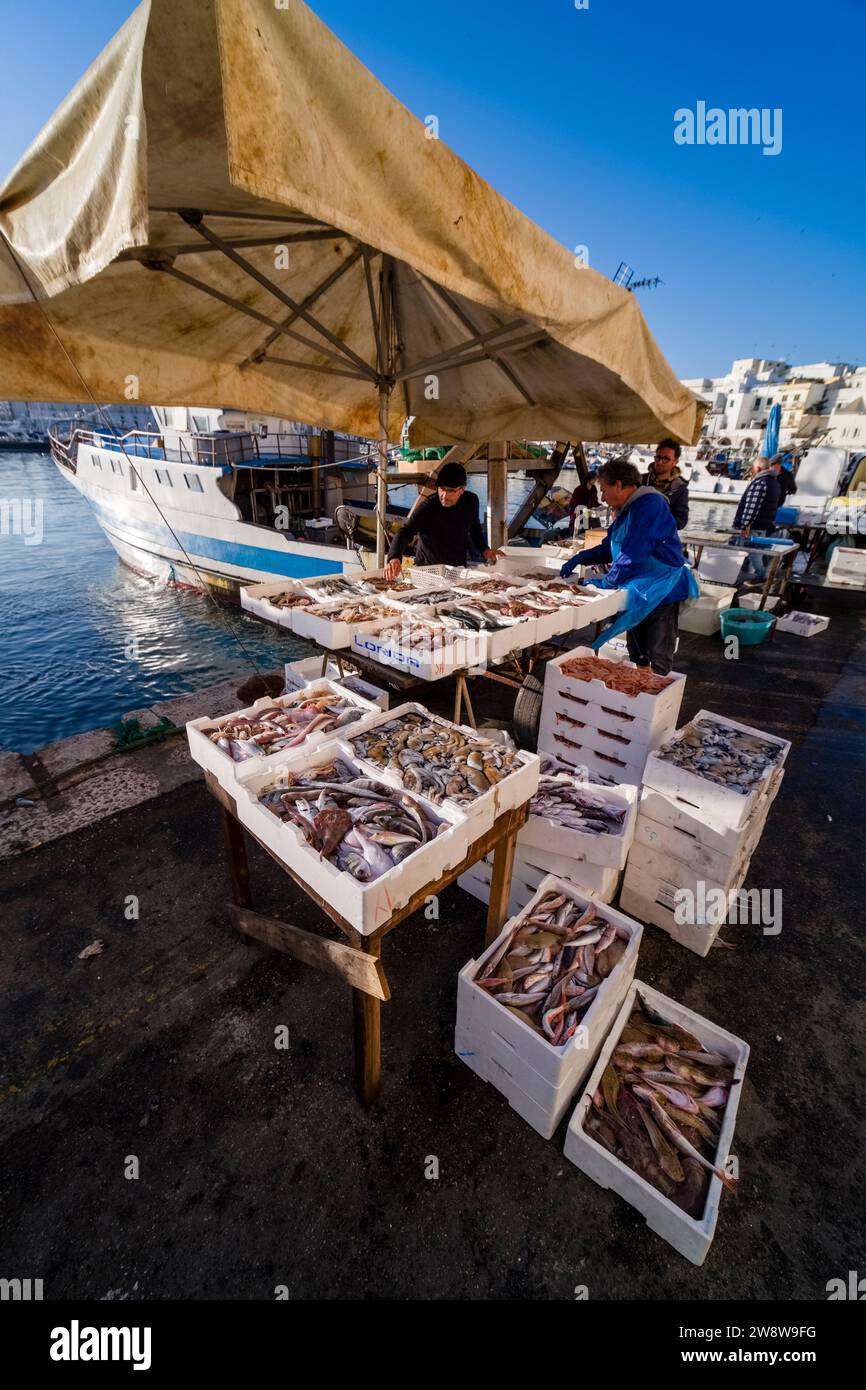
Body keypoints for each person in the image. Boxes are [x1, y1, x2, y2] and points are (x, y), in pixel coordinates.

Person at [559, 458, 698, 675]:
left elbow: (633, 553)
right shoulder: (627, 510)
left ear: (618, 485)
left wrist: (608, 581)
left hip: (662, 590)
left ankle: (655, 699)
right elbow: (610, 548)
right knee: (638, 651)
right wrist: (581, 558)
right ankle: (638, 691)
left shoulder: (650, 504)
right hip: (638, 588)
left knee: (658, 653)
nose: (602, 497)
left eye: (604, 490)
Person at [383, 462, 503, 579]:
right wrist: (394, 557)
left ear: (461, 489)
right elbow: (406, 531)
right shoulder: (428, 506)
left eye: (450, 490)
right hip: (427, 569)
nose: (444, 495)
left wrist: (485, 550)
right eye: (441, 489)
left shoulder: (471, 501)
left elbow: (475, 529)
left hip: (457, 568)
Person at [732, 457, 781, 580]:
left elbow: (751, 506)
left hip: (755, 525)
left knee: (753, 551)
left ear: (758, 468)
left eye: (753, 467)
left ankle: (761, 576)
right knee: (756, 551)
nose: (751, 469)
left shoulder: (760, 482)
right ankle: (755, 574)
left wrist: (745, 525)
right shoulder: (774, 482)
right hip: (765, 524)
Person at [642, 439, 689, 530]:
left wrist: (658, 519)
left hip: (660, 540)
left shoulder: (680, 489)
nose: (659, 462)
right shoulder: (640, 480)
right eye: (658, 457)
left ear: (675, 462)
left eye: (666, 459)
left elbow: (681, 521)